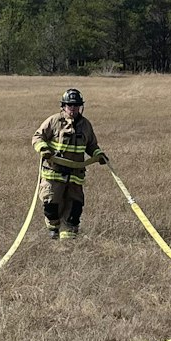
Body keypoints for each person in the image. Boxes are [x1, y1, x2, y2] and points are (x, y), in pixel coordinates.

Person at [32, 87, 107, 240]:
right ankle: (53, 228)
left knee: (75, 208)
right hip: (54, 174)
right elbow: (37, 137)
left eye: (76, 106)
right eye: (69, 105)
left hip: (75, 175)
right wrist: (44, 149)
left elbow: (91, 145)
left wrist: (98, 155)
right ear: (63, 106)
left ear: (81, 107)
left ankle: (68, 240)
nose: (72, 109)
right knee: (51, 204)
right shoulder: (53, 121)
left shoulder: (86, 125)